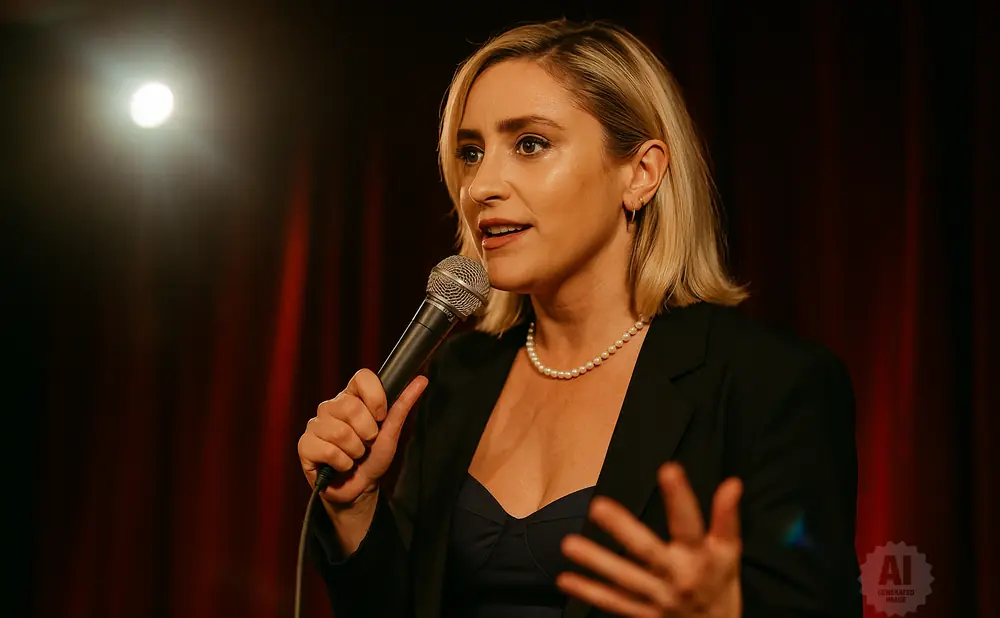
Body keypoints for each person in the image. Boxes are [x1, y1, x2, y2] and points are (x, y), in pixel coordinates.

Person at [297, 18, 861, 618]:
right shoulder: (460, 376)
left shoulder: (773, 385)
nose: (480, 186)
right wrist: (355, 508)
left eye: (530, 144)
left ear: (640, 174)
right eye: (471, 152)